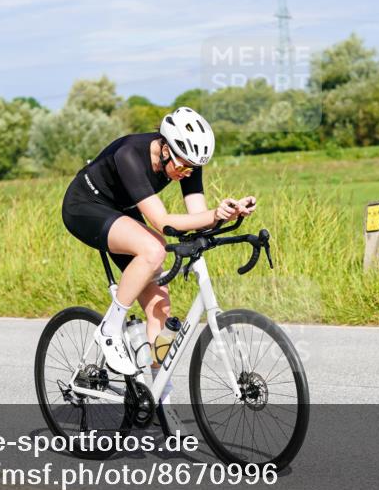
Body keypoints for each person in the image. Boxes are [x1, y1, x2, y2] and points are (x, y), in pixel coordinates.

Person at [61, 107, 256, 383]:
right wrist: (213, 215)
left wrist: (228, 212)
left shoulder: (185, 164)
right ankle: (110, 329)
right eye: (183, 165)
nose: (187, 173)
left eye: (193, 168)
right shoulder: (130, 154)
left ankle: (159, 400)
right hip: (85, 206)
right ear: (165, 149)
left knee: (161, 310)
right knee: (154, 247)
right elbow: (161, 221)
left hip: (122, 209)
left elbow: (197, 218)